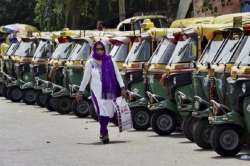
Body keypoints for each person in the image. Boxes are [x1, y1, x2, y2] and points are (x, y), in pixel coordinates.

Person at [76, 41, 127, 144]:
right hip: (96, 92)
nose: (100, 51)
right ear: (94, 50)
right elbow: (85, 79)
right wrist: (80, 92)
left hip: (109, 91)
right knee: (102, 111)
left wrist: (122, 88)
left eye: (102, 49)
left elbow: (117, 74)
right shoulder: (90, 63)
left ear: (104, 49)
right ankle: (104, 133)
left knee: (109, 113)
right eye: (98, 49)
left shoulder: (110, 60)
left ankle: (103, 130)